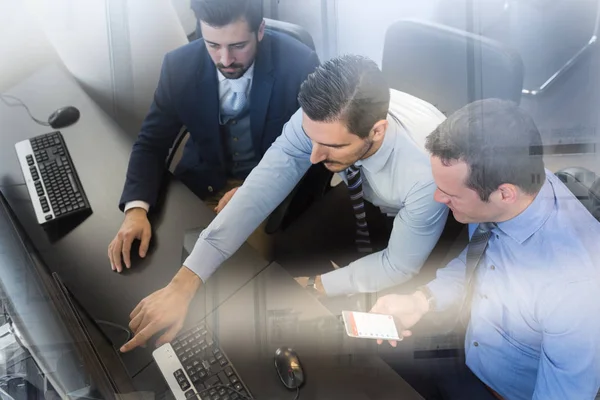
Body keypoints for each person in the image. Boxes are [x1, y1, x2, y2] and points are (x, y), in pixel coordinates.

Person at [118, 54, 450, 353]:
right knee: (286, 252)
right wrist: (183, 284)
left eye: (330, 146)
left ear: (376, 132)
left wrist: (317, 285)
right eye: (311, 139)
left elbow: (399, 264)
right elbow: (257, 192)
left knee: (391, 326)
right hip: (364, 188)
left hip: (428, 208)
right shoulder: (322, 119)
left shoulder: (426, 174)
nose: (314, 156)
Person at [370, 99, 600, 399]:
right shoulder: (510, 183)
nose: (438, 198)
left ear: (504, 194)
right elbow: (479, 257)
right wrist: (422, 299)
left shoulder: (573, 290)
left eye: (451, 193)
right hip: (467, 348)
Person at [107, 0, 320, 272]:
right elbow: (151, 143)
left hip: (270, 189)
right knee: (157, 263)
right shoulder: (178, 66)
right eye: (213, 45)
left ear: (261, 30)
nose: (225, 60)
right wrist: (136, 209)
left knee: (237, 275)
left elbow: (315, 147)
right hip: (201, 183)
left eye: (238, 46)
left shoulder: (300, 65)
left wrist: (254, 191)